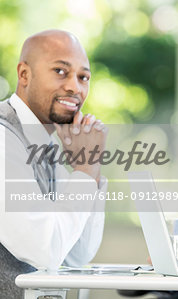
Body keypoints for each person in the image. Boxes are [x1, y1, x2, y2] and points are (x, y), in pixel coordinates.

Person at [0, 30, 108, 298]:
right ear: (24, 74)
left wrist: (90, 171)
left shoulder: (47, 145)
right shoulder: (3, 137)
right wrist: (83, 170)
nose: (75, 87)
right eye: (61, 71)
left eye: (83, 77)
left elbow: (78, 254)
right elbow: (46, 249)